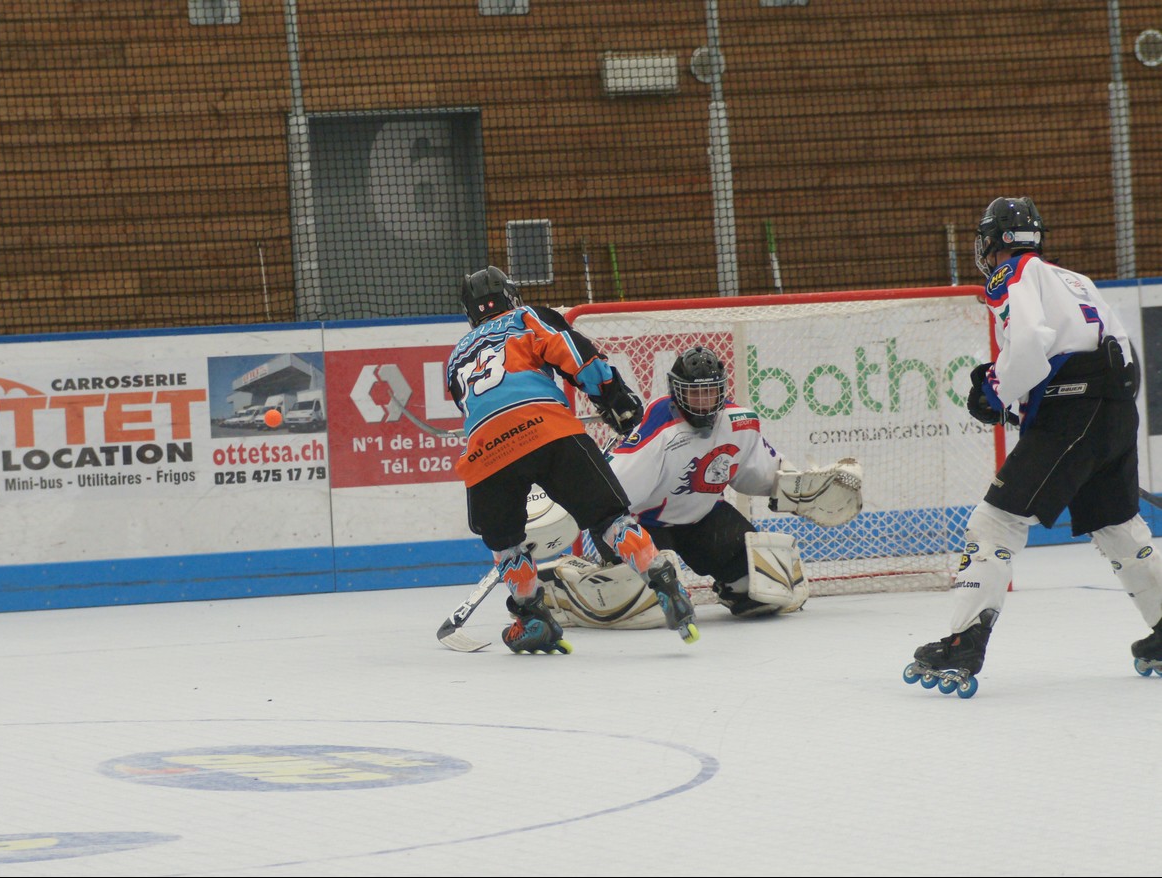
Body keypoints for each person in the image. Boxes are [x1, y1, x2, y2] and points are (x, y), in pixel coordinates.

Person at [908, 196, 1162, 689]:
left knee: (995, 522)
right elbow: (1118, 352)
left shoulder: (1013, 273)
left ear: (996, 241)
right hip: (1115, 411)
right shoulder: (1075, 279)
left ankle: (964, 642)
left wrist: (996, 392)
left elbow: (1029, 344)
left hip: (1074, 415)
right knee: (1117, 526)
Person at [446, 265, 699, 653]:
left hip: (485, 452)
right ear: (510, 296)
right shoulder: (525, 317)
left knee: (506, 544)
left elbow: (475, 404)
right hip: (548, 428)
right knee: (610, 519)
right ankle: (662, 580)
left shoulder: (455, 357)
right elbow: (574, 352)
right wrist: (613, 398)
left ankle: (532, 618)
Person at [551, 345, 863, 628]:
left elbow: (761, 475)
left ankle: (729, 587)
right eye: (694, 394)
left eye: (710, 392)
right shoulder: (659, 425)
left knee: (763, 589)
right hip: (642, 526)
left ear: (722, 390)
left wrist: (800, 489)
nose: (702, 402)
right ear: (676, 391)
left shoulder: (740, 422)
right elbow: (609, 492)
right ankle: (571, 585)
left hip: (702, 519)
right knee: (646, 606)